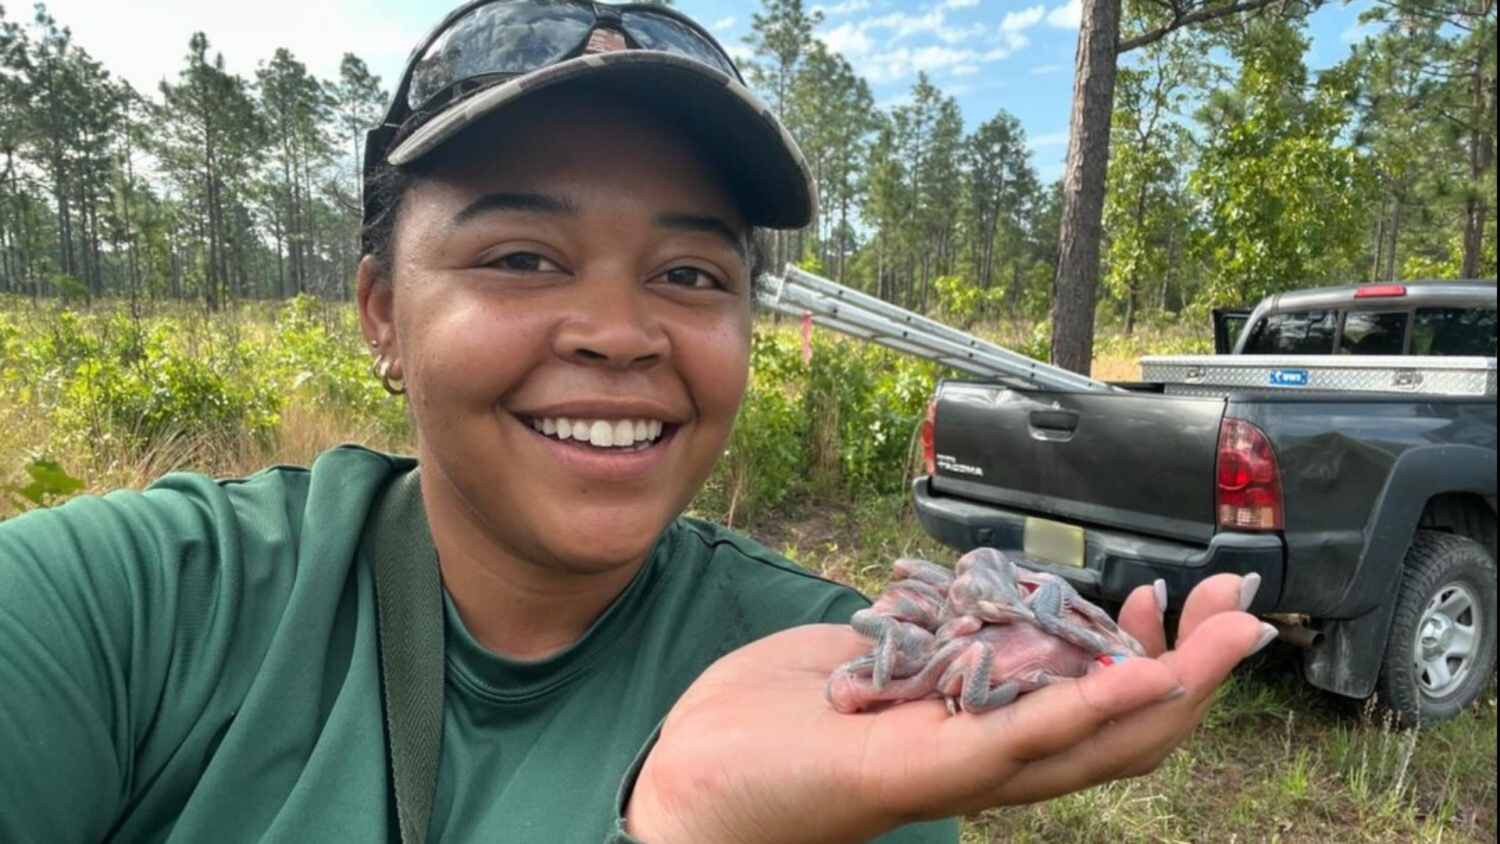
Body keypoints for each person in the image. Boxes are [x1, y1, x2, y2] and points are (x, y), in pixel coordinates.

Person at [0, 1, 1276, 842]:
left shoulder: (839, 700)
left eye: (689, 274)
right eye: (520, 256)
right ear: (382, 312)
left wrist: (686, 819)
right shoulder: (139, 604)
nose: (619, 331)